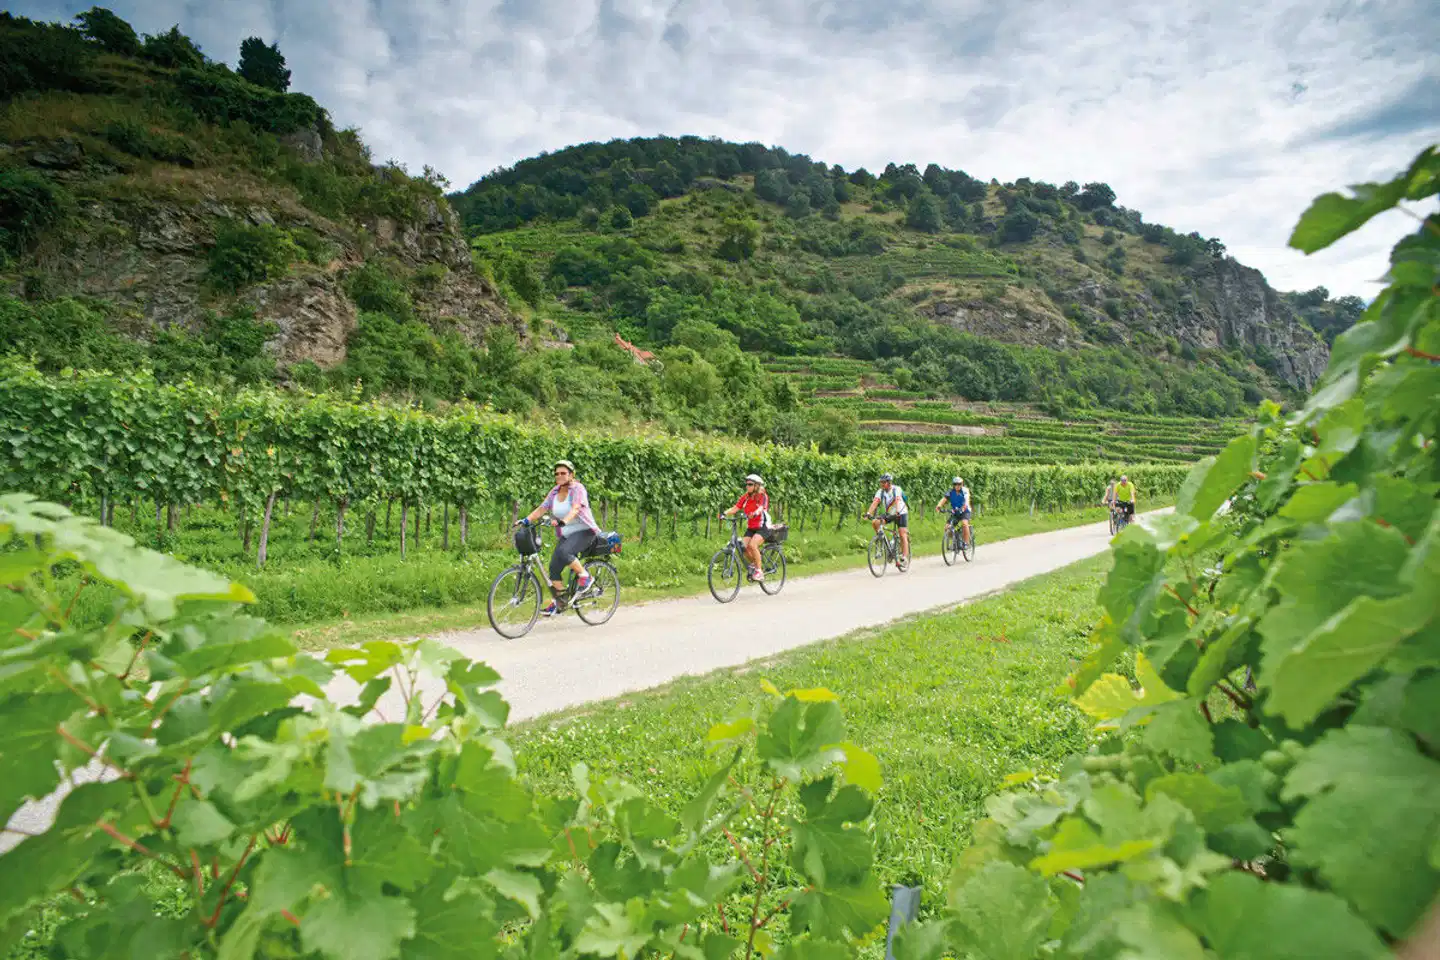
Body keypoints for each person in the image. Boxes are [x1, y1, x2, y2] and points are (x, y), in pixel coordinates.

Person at [517, 459, 600, 616]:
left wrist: (564, 521)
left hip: (585, 531)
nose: (560, 476)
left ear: (571, 474)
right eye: (557, 473)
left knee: (564, 552)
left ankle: (586, 577)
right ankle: (560, 602)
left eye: (563, 473)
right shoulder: (555, 491)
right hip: (567, 533)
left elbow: (575, 508)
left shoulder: (578, 489)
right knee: (554, 568)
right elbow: (542, 508)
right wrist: (526, 520)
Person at [721, 473, 770, 581]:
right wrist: (724, 513)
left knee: (753, 545)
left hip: (763, 526)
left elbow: (761, 508)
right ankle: (754, 563)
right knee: (743, 547)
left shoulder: (763, 496)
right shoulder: (746, 497)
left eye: (750, 484)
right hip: (752, 527)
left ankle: (759, 571)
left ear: (757, 486)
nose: (747, 486)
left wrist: (756, 513)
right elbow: (736, 507)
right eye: (746, 484)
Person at [865, 473, 910, 567]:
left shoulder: (896, 489)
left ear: (889, 483)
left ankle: (905, 557)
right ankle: (883, 542)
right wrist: (869, 513)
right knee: (875, 522)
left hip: (901, 512)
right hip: (890, 513)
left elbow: (897, 500)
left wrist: (897, 511)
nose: (881, 484)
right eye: (881, 482)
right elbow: (875, 502)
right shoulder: (880, 491)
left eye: (883, 482)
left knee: (902, 533)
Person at [935, 476, 972, 547]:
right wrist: (939, 506)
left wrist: (964, 506)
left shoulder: (965, 490)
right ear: (953, 485)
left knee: (964, 524)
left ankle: (966, 543)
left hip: (965, 511)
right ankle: (955, 539)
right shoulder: (950, 491)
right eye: (955, 484)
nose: (957, 486)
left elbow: (967, 500)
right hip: (956, 512)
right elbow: (944, 499)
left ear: (962, 484)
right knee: (947, 528)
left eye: (959, 484)